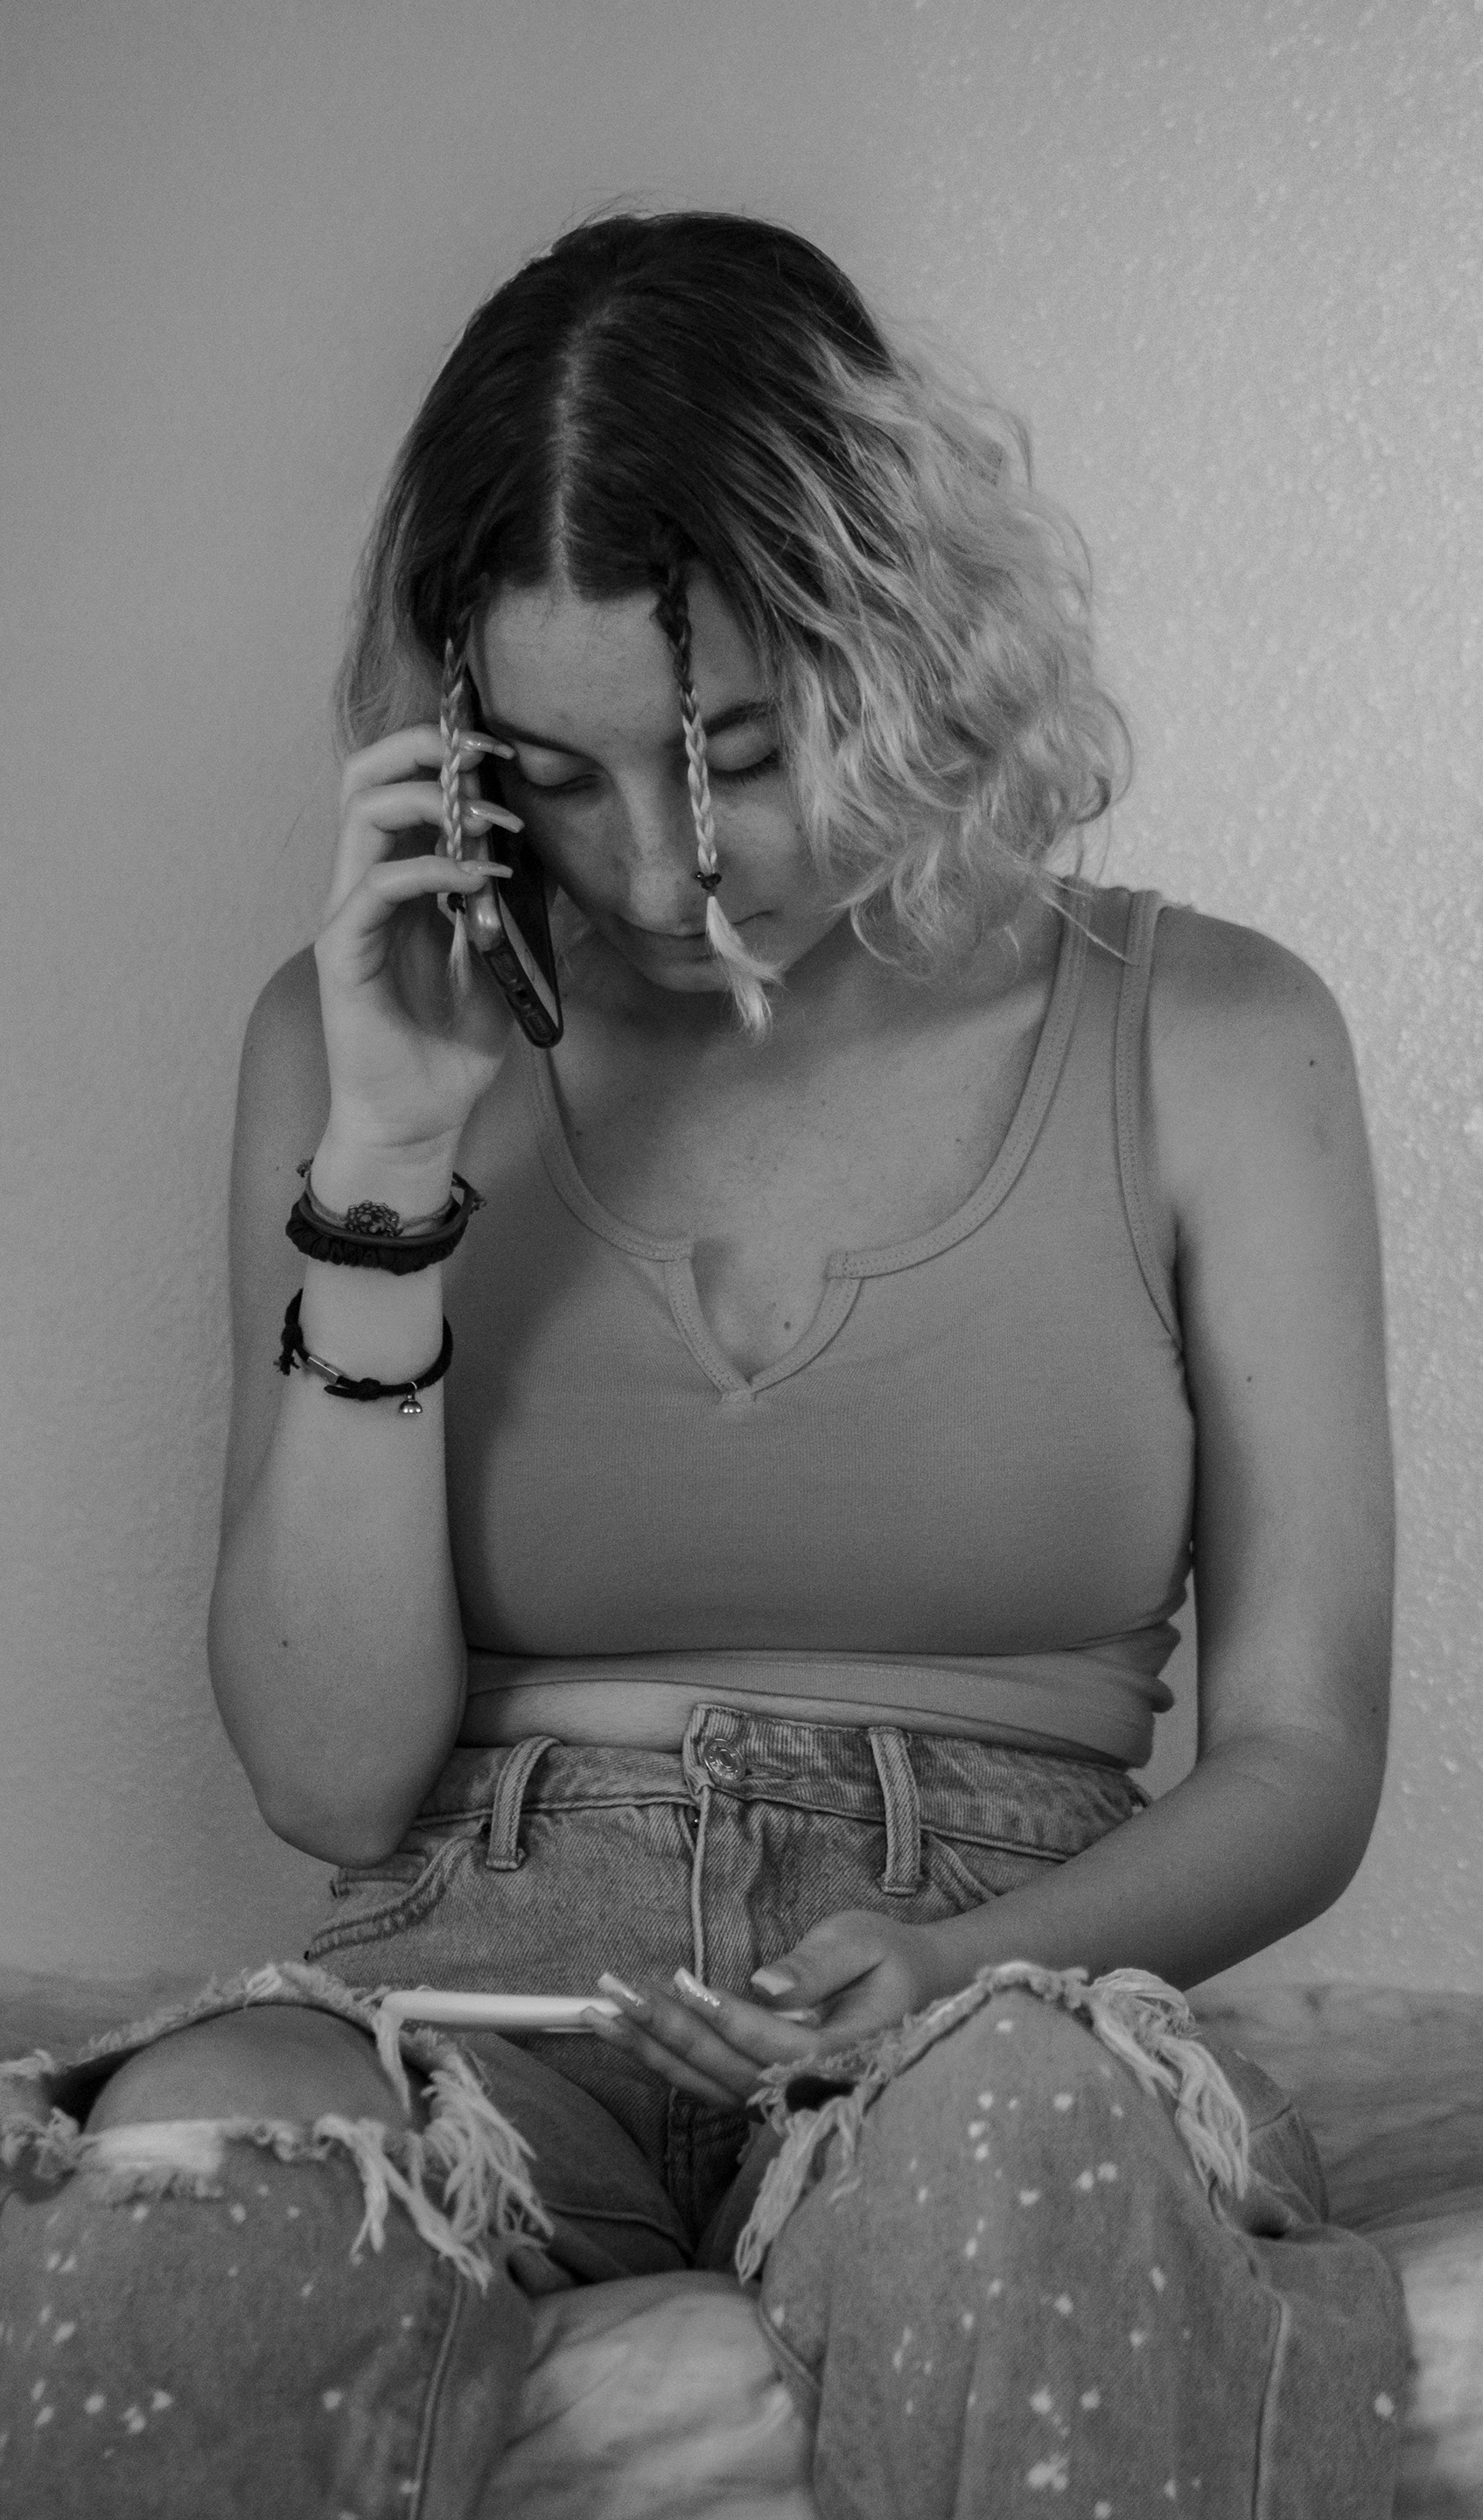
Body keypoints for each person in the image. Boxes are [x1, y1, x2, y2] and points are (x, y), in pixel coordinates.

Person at [0, 211, 1408, 2516]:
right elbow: (332, 1783)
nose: (662, 874)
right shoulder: (354, 1048)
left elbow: (1305, 1752)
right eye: (559, 779)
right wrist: (387, 1158)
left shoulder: (1219, 1038)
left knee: (1026, 2135)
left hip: (993, 1973)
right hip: (490, 1970)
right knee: (204, 2152)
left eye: (735, 755)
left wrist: (961, 1962)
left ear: (907, 646)